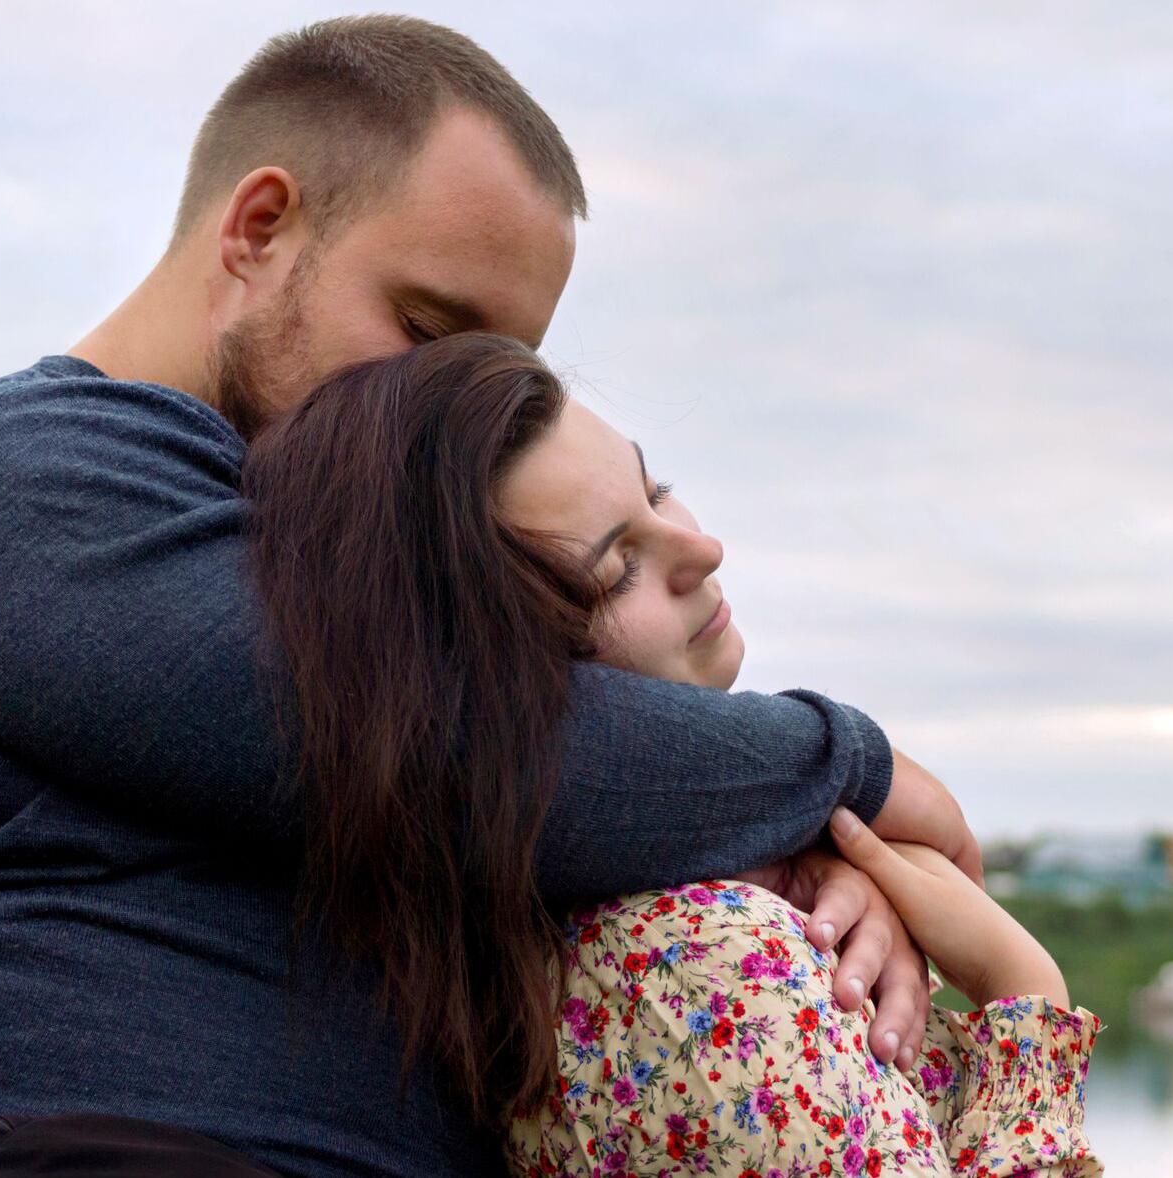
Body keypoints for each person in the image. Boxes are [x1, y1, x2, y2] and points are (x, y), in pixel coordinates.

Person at [0, 15, 979, 1177]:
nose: (452, 399)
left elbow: (588, 764)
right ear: (259, 228)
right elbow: (429, 745)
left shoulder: (365, 568)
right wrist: (847, 769)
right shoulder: (10, 475)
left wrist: (814, 867)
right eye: (432, 329)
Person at [241, 332, 1101, 1175]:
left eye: (659, 491)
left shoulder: (633, 931)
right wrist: (1024, 993)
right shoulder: (703, 973)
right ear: (505, 680)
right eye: (617, 568)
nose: (703, 549)